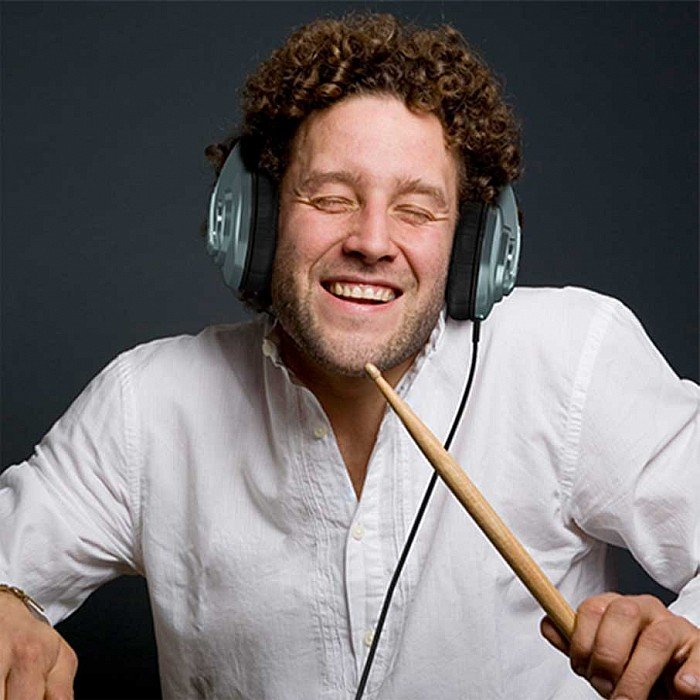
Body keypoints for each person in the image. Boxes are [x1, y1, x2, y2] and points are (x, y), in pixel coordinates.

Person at [1, 12, 698, 700]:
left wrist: (683, 642)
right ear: (257, 220)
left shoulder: (571, 359)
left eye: (417, 209)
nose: (371, 241)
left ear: (474, 245)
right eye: (331, 197)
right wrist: (8, 611)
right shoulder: (150, 404)